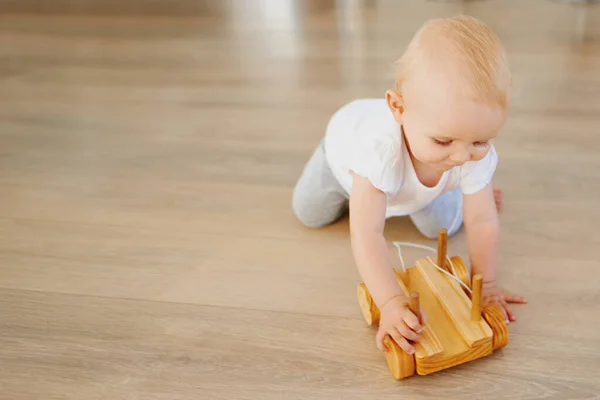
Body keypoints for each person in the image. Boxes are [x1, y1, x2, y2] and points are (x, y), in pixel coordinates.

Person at [292, 15, 527, 355]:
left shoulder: (466, 149)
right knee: (309, 213)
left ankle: (463, 191)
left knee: (441, 226)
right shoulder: (378, 150)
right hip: (344, 165)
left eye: (481, 142)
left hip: (412, 186)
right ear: (398, 109)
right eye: (444, 140)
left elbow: (482, 222)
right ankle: (362, 194)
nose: (462, 157)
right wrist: (389, 301)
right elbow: (368, 234)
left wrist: (486, 284)